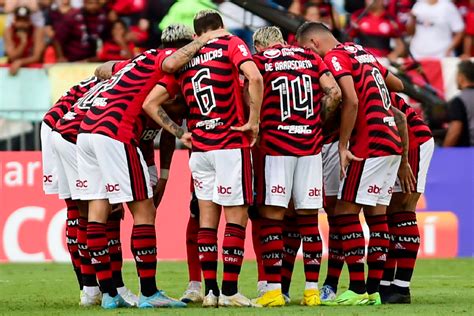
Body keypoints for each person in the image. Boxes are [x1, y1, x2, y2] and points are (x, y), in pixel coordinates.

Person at [75, 24, 225, 309]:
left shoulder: (140, 59)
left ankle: (108, 294)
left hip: (88, 130)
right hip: (116, 132)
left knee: (98, 208)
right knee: (144, 210)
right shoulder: (168, 61)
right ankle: (149, 292)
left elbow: (103, 68)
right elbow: (160, 85)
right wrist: (203, 40)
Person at [142, 10, 264, 308]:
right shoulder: (231, 44)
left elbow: (150, 103)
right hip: (230, 143)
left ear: (196, 34)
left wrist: (178, 132)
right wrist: (254, 121)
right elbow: (255, 77)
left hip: (201, 149)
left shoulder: (184, 62)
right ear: (220, 27)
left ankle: (210, 292)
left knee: (206, 221)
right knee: (236, 218)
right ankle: (231, 291)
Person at [296, 22, 408, 306]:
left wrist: (343, 144)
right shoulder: (362, 52)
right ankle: (372, 290)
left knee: (345, 211)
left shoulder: (335, 57)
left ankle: (357, 288)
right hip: (391, 141)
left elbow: (352, 101)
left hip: (369, 143)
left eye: (309, 51)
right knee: (377, 215)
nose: (312, 58)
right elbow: (398, 85)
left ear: (314, 42)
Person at [250, 26, 341, 307]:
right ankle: (312, 291)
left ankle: (274, 291)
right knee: (309, 220)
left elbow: (251, 92)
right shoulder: (310, 58)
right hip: (311, 147)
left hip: (277, 147)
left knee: (272, 219)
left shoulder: (261, 62)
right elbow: (335, 93)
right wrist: (316, 123)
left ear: (259, 46)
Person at [380, 93, 434, 304]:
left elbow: (400, 117)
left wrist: (404, 162)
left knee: (403, 207)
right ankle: (384, 285)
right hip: (392, 142)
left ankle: (401, 288)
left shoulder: (352, 76)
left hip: (412, 140)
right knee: (387, 212)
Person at [4, 6, 45, 75]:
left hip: (32, 71)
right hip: (13, 70)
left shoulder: (37, 31)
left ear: (29, 21)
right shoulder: (8, 31)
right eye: (19, 20)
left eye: (25, 20)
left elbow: (37, 56)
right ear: (14, 20)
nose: (22, 24)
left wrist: (20, 62)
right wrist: (23, 43)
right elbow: (12, 56)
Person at [444, 60, 474, 147]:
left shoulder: (459, 100)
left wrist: (443, 155)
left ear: (461, 77)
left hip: (469, 154)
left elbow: (455, 132)